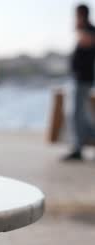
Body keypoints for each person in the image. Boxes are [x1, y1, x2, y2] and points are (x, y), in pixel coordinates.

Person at [64, 4, 95, 161]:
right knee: (81, 115)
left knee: (75, 114)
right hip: (79, 78)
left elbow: (86, 41)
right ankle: (78, 146)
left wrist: (78, 28)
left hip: (83, 79)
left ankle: (77, 149)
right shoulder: (86, 29)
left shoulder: (89, 29)